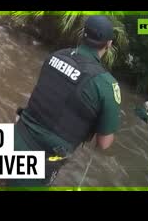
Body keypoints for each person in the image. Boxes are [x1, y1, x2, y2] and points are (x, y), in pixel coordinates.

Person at [9, 16, 121, 187]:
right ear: (109, 44)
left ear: (82, 34)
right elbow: (104, 143)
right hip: (41, 161)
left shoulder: (55, 56)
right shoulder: (107, 85)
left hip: (14, 137)